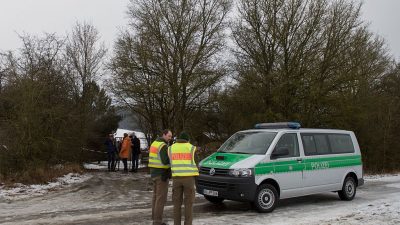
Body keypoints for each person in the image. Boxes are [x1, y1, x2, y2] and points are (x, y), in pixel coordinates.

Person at [168, 132, 199, 225]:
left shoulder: (170, 148)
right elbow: (196, 164)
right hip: (189, 179)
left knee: (176, 204)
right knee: (188, 204)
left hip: (176, 179)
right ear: (187, 140)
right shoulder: (192, 148)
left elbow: (170, 162)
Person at [149, 129, 173, 225]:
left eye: (171, 137)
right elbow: (165, 161)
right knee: (161, 198)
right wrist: (172, 157)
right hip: (161, 174)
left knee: (155, 197)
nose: (170, 138)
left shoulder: (154, 143)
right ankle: (158, 221)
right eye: (169, 136)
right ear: (164, 135)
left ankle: (154, 217)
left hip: (154, 173)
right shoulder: (163, 145)